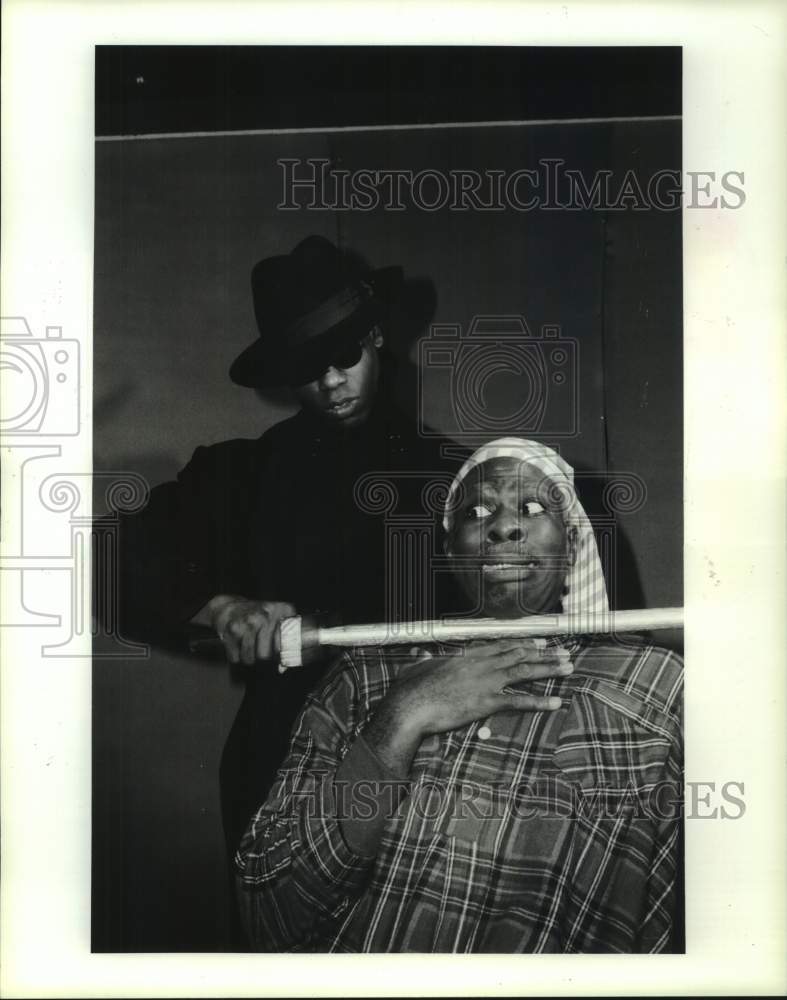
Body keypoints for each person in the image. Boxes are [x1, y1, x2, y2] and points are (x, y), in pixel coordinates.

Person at [235, 437, 684, 953]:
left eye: (533, 508)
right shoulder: (363, 675)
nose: (503, 526)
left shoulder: (656, 686)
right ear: (451, 551)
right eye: (478, 510)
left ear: (574, 544)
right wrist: (400, 718)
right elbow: (266, 905)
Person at [117, 234, 453, 861]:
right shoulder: (242, 473)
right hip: (281, 763)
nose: (329, 381)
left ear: (377, 335)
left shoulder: (456, 476)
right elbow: (109, 557)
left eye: (344, 354)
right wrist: (219, 607)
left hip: (434, 762)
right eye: (306, 366)